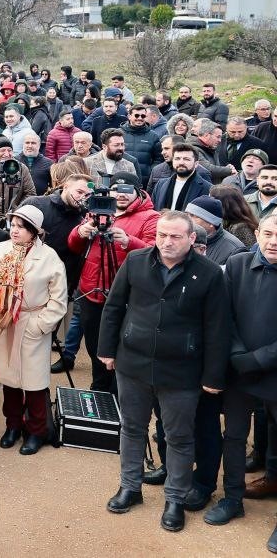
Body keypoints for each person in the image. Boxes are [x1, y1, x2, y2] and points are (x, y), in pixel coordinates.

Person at [99, 210, 230, 533]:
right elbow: (114, 307)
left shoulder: (210, 274)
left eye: (174, 236)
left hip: (181, 372)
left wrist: (213, 376)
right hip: (133, 364)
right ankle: (130, 487)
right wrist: (107, 349)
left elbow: (218, 329)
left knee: (179, 437)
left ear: (192, 238)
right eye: (161, 235)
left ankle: (175, 498)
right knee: (132, 428)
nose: (166, 242)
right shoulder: (136, 261)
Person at [212, 215, 277, 545]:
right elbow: (224, 314)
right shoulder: (236, 265)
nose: (274, 241)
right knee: (234, 436)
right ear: (256, 233)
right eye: (268, 233)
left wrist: (257, 359)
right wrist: (238, 355)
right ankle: (232, 498)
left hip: (272, 371)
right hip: (239, 371)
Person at [65, 173, 158, 394]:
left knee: (121, 348)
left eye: (127, 190)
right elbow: (73, 245)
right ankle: (99, 387)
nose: (121, 195)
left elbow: (156, 252)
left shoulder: (151, 217)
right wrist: (80, 232)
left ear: (138, 191)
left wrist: (128, 241)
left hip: (126, 296)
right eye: (116, 189)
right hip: (91, 292)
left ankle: (118, 393)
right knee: (94, 346)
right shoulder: (97, 210)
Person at [0, 206, 67, 456]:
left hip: (32, 320)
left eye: (21, 227)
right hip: (3, 320)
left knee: (34, 382)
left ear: (34, 231)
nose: (15, 230)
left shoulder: (49, 257)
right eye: (13, 225)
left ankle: (37, 430)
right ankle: (13, 425)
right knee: (8, 378)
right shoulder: (0, 250)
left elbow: (59, 299)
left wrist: (41, 325)